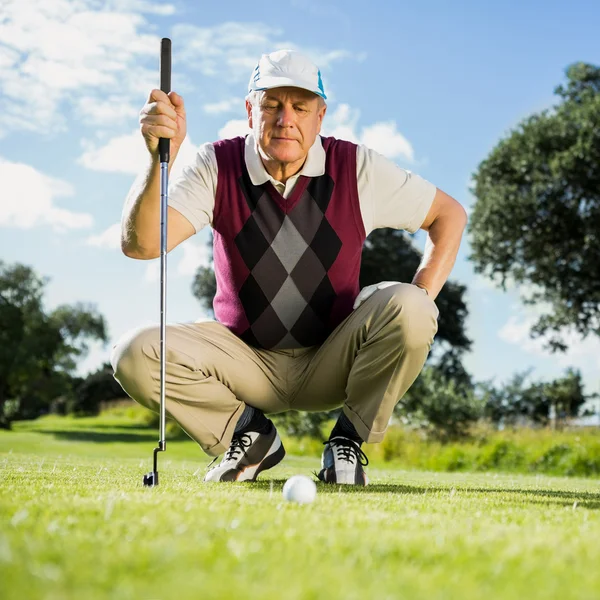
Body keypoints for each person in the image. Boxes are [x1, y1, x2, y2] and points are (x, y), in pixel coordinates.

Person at [111, 49, 467, 486]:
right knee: (133, 353)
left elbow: (449, 215)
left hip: (333, 359)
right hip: (245, 362)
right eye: (271, 105)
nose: (286, 119)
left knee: (412, 305)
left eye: (300, 107)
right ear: (249, 111)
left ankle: (347, 441)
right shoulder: (216, 164)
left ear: (320, 116)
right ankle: (250, 435)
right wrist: (157, 157)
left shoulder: (355, 167)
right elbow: (142, 243)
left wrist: (414, 315)